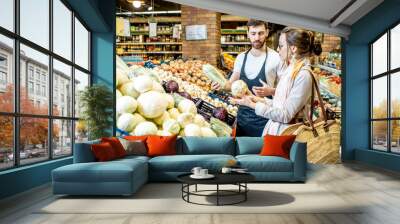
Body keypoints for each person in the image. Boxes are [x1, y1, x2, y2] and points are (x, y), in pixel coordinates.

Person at [232, 27, 322, 136]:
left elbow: (285, 115)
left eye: (281, 45)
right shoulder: (292, 69)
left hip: (288, 136)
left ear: (293, 48)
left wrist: (252, 105)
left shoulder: (303, 75)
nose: (278, 49)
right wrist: (256, 99)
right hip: (278, 131)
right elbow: (279, 104)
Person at [212, 19, 281, 137]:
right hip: (243, 118)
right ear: (248, 34)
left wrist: (271, 91)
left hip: (266, 118)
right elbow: (230, 85)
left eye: (260, 33)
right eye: (253, 33)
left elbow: (283, 92)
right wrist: (221, 86)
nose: (257, 37)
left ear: (267, 32)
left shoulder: (276, 58)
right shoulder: (241, 58)